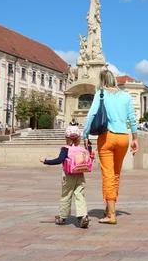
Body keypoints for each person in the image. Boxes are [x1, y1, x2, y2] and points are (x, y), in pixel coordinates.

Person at [83, 69, 139, 225]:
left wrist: (85, 135)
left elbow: (91, 115)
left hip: (107, 137)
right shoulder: (126, 96)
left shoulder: (100, 94)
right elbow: (132, 118)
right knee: (115, 174)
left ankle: (111, 214)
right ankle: (109, 209)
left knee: (107, 174)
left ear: (101, 81)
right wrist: (135, 138)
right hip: (123, 138)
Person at [40, 125, 93, 228]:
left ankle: (62, 217)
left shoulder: (65, 149)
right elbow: (89, 155)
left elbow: (59, 160)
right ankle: (83, 216)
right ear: (78, 138)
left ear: (66, 138)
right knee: (80, 195)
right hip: (80, 174)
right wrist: (89, 147)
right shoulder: (81, 149)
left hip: (68, 175)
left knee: (66, 195)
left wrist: (46, 161)